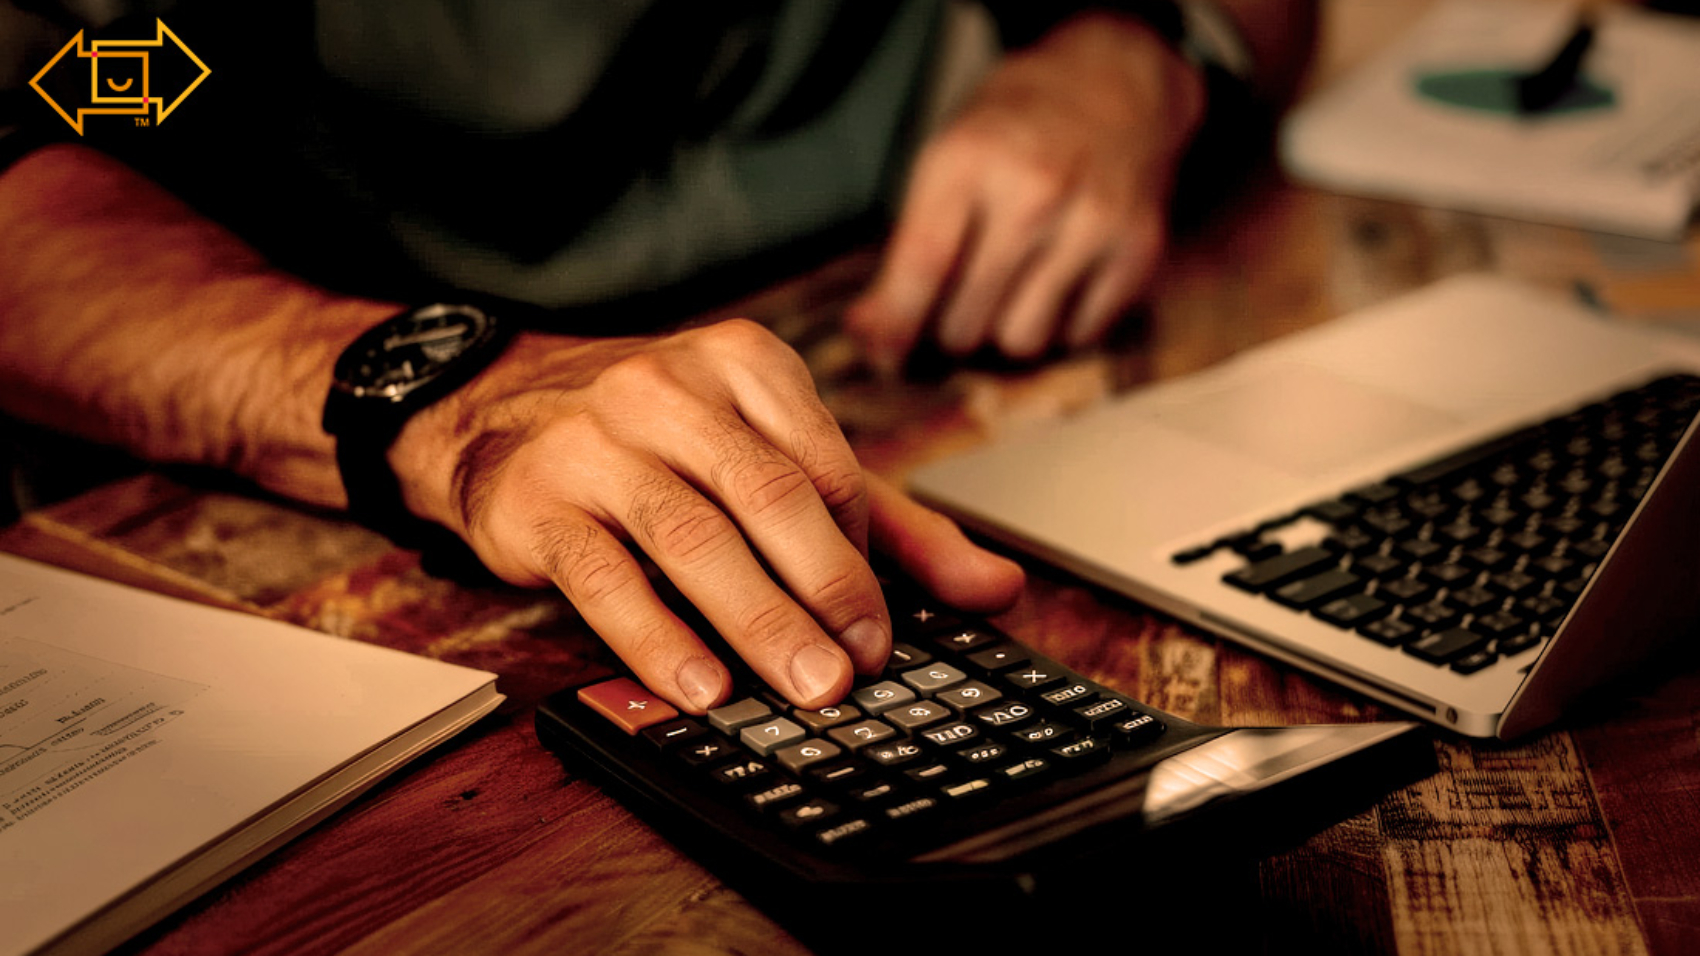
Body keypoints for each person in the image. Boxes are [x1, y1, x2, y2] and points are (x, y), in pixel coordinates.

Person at [0, 0, 1316, 714]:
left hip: (972, 337)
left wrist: (1140, 49)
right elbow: (48, 126)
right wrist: (437, 392)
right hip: (365, 471)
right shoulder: (158, 46)